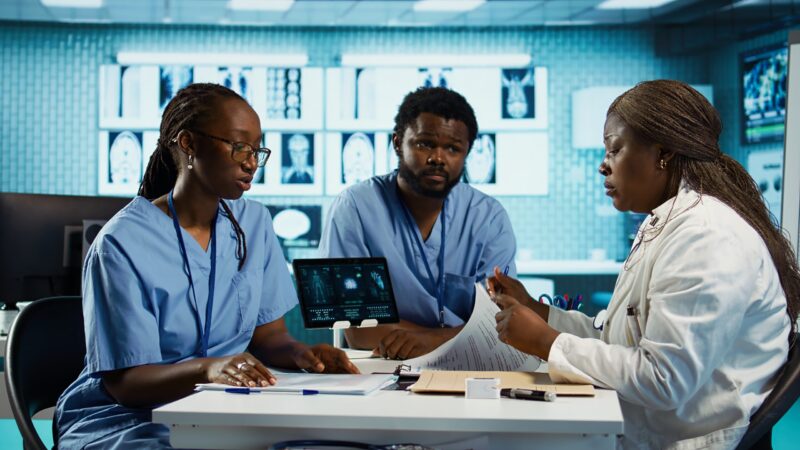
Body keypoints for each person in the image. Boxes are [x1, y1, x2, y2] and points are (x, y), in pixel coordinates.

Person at [489, 80, 800, 449]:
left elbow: (664, 378)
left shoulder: (707, 236)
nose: (603, 166)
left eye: (615, 149)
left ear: (662, 154)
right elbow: (619, 343)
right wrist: (539, 313)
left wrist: (548, 342)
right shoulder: (668, 223)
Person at [56, 83, 357, 449]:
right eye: (238, 146)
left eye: (257, 150)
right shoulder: (121, 242)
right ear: (188, 144)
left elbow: (268, 337)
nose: (250, 162)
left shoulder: (254, 223)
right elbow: (126, 385)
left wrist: (301, 354)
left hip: (224, 406)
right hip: (133, 417)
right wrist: (207, 369)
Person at [320, 86, 517, 360]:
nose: (438, 158)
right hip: (380, 367)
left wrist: (427, 340)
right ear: (397, 142)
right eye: (425, 144)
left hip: (469, 367)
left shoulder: (488, 218)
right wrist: (456, 335)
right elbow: (359, 330)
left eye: (452, 148)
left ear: (466, 153)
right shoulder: (355, 208)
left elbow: (501, 327)